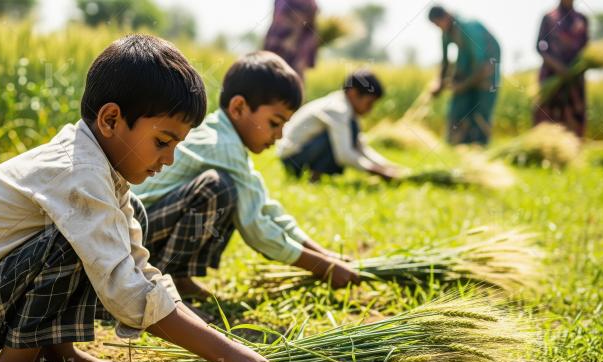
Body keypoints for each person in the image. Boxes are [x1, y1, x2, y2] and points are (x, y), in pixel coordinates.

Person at [0, 35, 280, 362]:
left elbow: (139, 268)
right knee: (75, 242)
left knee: (106, 234)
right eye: (162, 141)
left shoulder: (105, 171)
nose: (169, 158)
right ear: (110, 120)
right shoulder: (80, 173)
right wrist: (222, 352)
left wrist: (218, 342)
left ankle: (59, 352)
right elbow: (124, 287)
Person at [131, 51, 361, 299]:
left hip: (146, 231)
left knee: (233, 191)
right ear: (239, 108)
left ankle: (177, 277)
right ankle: (158, 286)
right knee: (217, 188)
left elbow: (265, 208)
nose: (280, 135)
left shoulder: (229, 140)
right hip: (131, 239)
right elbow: (257, 229)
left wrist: (325, 255)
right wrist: (322, 267)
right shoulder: (222, 145)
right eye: (275, 123)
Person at [277, 69, 405, 181]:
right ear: (353, 93)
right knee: (338, 137)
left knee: (351, 133)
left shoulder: (348, 112)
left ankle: (315, 176)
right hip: (293, 158)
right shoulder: (338, 109)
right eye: (369, 103)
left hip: (302, 153)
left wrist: (388, 166)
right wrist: (378, 171)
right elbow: (344, 154)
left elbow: (361, 147)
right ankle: (315, 176)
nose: (370, 109)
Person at [428, 5, 501, 145]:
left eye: (438, 23)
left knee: (481, 110)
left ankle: (479, 145)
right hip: (467, 69)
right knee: (459, 107)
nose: (438, 28)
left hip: (487, 67)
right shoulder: (446, 32)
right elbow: (445, 62)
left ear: (446, 16)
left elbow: (481, 64)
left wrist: (463, 85)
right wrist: (439, 83)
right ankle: (458, 143)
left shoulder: (468, 29)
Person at [535, 0, 589, 136]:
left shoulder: (582, 19)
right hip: (551, 75)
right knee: (547, 116)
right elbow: (539, 46)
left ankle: (573, 148)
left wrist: (577, 67)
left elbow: (586, 49)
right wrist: (557, 66)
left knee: (574, 117)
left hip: (574, 78)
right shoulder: (549, 17)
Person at [263, 0, 319, 80]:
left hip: (297, 50)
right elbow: (275, 19)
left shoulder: (309, 3)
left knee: (294, 77)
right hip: (275, 46)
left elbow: (311, 26)